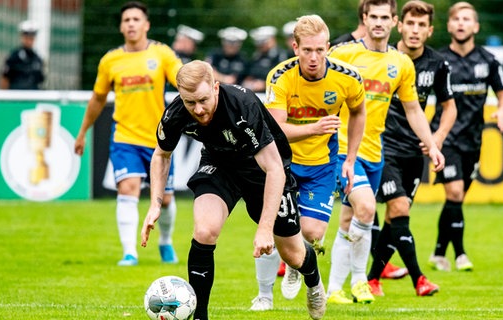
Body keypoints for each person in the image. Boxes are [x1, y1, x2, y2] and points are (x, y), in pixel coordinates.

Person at [140, 60, 327, 320]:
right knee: (204, 230)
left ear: (216, 88)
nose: (198, 109)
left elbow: (274, 169)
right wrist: (155, 204)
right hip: (220, 165)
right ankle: (199, 316)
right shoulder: (177, 112)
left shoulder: (243, 106)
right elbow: (161, 155)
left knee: (293, 254)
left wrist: (264, 229)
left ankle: (313, 279)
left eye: (203, 100)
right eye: (190, 102)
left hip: (263, 171)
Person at [326, 0, 445, 303]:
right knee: (366, 208)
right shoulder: (343, 54)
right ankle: (359, 281)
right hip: (342, 150)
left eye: (384, 17)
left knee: (350, 220)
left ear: (394, 22)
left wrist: (431, 145)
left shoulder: (401, 63)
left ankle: (334, 289)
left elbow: (414, 109)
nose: (378, 22)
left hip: (374, 152)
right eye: (373, 17)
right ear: (364, 19)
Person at [249, 14, 366, 311]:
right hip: (281, 164)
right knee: (274, 225)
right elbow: (275, 131)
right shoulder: (280, 76)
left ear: (328, 47)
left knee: (312, 233)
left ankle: (293, 263)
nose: (314, 58)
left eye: (319, 50)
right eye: (306, 50)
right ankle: (264, 295)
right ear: (295, 47)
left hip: (323, 164)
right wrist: (314, 128)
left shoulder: (348, 77)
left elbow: (358, 112)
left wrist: (350, 159)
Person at [74, 1, 182, 266]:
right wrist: (82, 133)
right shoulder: (111, 60)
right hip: (124, 137)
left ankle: (165, 242)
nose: (131, 24)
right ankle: (129, 252)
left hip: (159, 139)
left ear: (146, 25)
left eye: (136, 19)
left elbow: (183, 80)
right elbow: (98, 99)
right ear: (121, 27)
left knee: (165, 199)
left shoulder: (162, 54)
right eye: (126, 20)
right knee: (128, 189)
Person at [366, 0, 457, 297]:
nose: (415, 30)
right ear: (399, 25)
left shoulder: (437, 64)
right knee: (399, 208)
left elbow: (449, 108)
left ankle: (372, 279)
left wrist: (437, 139)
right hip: (383, 147)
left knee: (396, 218)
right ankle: (419, 279)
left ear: (429, 31)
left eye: (422, 25)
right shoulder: (383, 59)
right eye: (410, 24)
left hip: (414, 152)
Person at [428, 1, 503, 272]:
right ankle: (460, 254)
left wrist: (502, 111)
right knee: (455, 191)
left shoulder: (488, 61)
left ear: (475, 26)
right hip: (445, 139)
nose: (461, 23)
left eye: (466, 19)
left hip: (473, 141)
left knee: (456, 199)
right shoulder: (439, 61)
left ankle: (439, 252)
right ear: (449, 25)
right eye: (456, 19)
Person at [242, 26, 290, 93]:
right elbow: (250, 72)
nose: (261, 45)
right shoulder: (256, 56)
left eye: (263, 42)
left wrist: (264, 84)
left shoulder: (281, 55)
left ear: (273, 40)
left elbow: (283, 77)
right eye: (258, 42)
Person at [0, 20, 45, 90]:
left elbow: (40, 80)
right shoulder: (14, 57)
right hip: (16, 96)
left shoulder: (38, 58)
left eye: (31, 38)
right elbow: (5, 79)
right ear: (22, 37)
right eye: (27, 38)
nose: (29, 41)